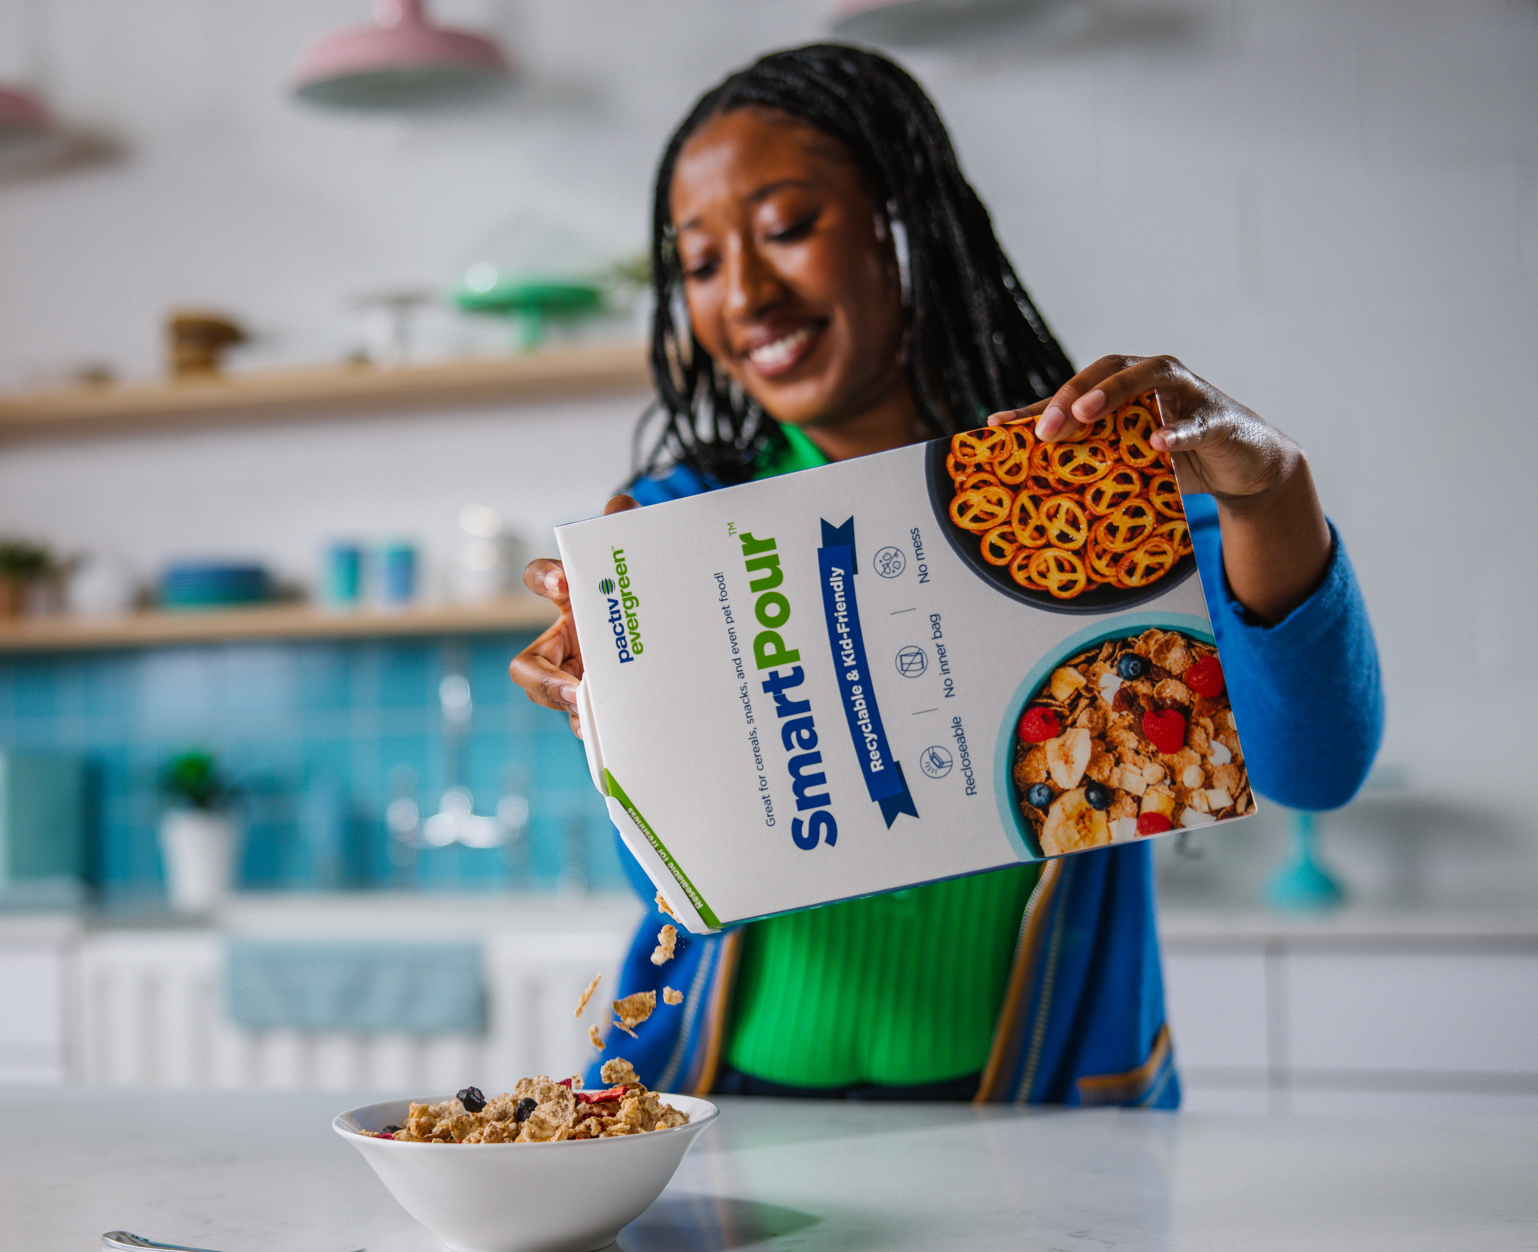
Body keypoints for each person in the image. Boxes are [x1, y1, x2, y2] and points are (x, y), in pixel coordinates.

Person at [510, 45, 1382, 1107]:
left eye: (786, 228)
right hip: (722, 1111)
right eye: (696, 264)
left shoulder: (1097, 492)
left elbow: (1314, 767)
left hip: (1037, 1115)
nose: (742, 292)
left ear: (906, 229)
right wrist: (614, 723)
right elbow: (684, 867)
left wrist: (1270, 491)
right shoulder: (668, 527)